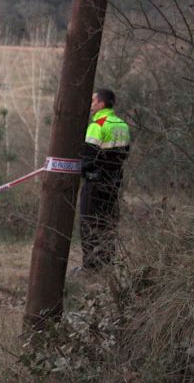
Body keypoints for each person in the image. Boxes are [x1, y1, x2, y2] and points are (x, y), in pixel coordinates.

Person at [79, 88, 131, 270]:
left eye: (93, 101)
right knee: (108, 223)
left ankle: (90, 267)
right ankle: (107, 264)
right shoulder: (122, 125)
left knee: (88, 223)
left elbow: (87, 160)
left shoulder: (97, 125)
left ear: (101, 104)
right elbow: (124, 155)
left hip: (95, 183)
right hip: (114, 183)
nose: (91, 105)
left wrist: (81, 171)